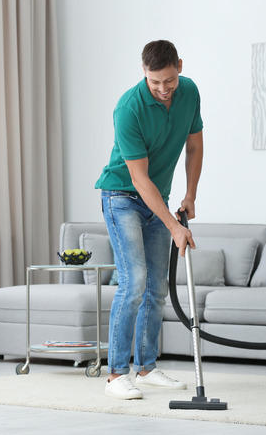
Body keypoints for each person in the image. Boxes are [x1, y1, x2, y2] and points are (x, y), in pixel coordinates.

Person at [95, 40, 203, 399]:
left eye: (168, 80)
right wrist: (174, 225)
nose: (162, 88)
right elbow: (139, 179)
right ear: (144, 71)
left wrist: (190, 195)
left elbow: (195, 146)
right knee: (134, 280)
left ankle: (146, 367)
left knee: (157, 287)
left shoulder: (189, 92)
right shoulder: (129, 108)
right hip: (122, 196)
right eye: (155, 81)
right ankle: (116, 375)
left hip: (158, 199)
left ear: (180, 67)